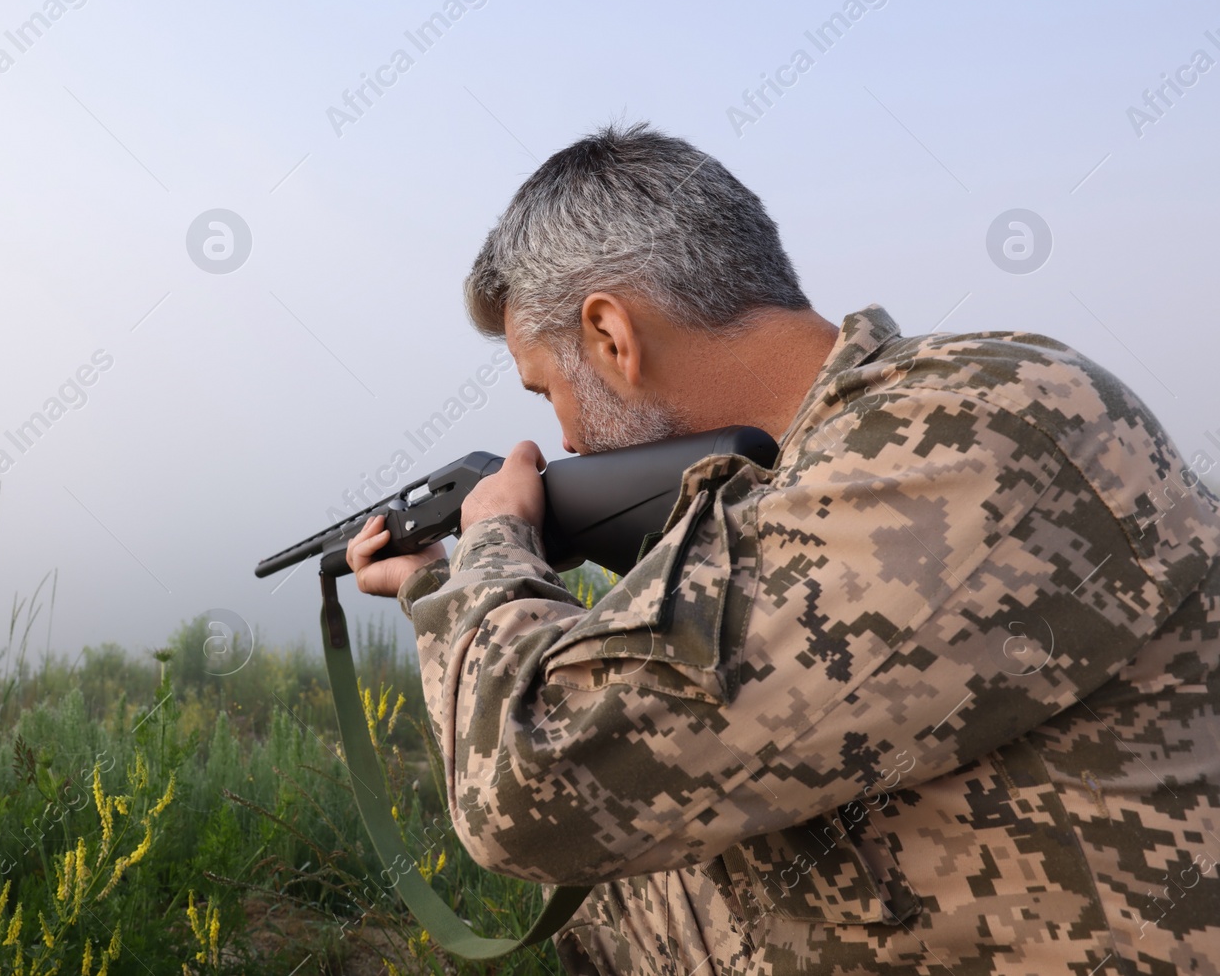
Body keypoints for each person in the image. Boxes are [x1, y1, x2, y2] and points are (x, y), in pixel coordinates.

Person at [343, 122, 1220, 976]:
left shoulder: (961, 432)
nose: (562, 438)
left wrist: (493, 544)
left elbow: (534, 789)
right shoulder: (817, 472)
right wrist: (434, 583)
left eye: (547, 391)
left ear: (612, 336)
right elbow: (646, 703)